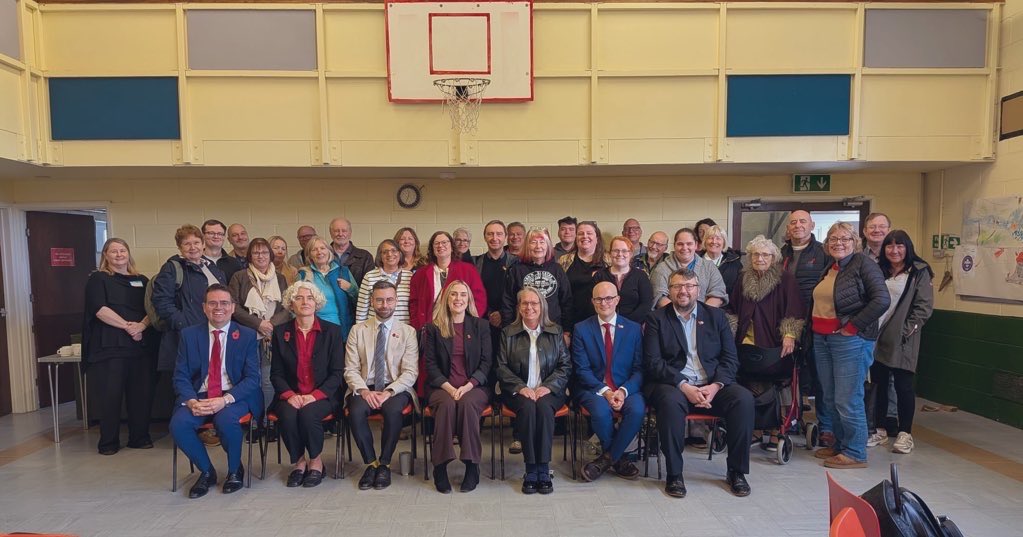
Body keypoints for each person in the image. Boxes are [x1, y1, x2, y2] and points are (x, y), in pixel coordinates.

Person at [644, 269, 754, 498]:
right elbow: (653, 363)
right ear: (669, 290)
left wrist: (715, 386)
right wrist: (684, 386)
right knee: (669, 403)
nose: (683, 291)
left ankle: (736, 471)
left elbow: (730, 359)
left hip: (711, 385)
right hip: (674, 385)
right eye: (677, 286)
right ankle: (675, 474)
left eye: (689, 286)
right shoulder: (657, 319)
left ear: (698, 290)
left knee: (743, 399)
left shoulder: (716, 317)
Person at [170, 284, 262, 499]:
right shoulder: (189, 335)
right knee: (179, 424)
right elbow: (180, 376)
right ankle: (207, 472)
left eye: (224, 303)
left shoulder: (247, 335)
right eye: (212, 303)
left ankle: (235, 470)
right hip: (200, 396)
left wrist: (225, 400)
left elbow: (252, 378)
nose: (218, 308)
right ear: (204, 307)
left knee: (225, 420)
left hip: (235, 395)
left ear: (232, 307)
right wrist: (191, 401)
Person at [810, 222, 890, 469]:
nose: (839, 243)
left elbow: (882, 299)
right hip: (823, 338)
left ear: (855, 242)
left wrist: (853, 327)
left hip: (850, 340)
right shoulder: (832, 266)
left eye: (845, 238)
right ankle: (840, 445)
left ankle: (855, 452)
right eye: (833, 239)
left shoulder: (863, 264)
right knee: (831, 396)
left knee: (848, 397)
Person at [726, 235, 804, 450]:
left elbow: (794, 308)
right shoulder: (743, 278)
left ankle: (775, 429)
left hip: (773, 339)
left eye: (765, 255)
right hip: (746, 339)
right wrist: (730, 330)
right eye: (755, 255)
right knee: (747, 381)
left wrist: (790, 334)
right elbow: (732, 307)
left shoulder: (785, 279)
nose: (759, 258)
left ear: (773, 257)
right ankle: (755, 428)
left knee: (774, 382)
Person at [82, 238, 155, 455]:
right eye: (113, 251)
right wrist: (128, 327)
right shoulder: (98, 279)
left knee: (141, 396)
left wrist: (142, 326)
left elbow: (153, 308)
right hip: (111, 347)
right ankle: (108, 442)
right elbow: (99, 309)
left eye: (122, 250)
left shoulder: (142, 280)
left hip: (140, 346)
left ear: (128, 253)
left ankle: (139, 438)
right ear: (105, 255)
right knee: (111, 396)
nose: (119, 254)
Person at [497, 286, 572, 495]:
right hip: (518, 391)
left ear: (542, 306)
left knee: (545, 409)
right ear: (519, 307)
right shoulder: (507, 333)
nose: (529, 307)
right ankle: (531, 468)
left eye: (534, 303)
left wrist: (548, 386)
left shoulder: (555, 331)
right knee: (529, 409)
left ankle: (543, 468)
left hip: (550, 391)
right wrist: (520, 387)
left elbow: (565, 366)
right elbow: (501, 367)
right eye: (525, 303)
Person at [344, 281, 419, 491]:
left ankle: (385, 463)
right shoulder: (357, 330)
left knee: (393, 411)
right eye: (379, 300)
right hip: (364, 385)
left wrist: (388, 392)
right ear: (371, 301)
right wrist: (364, 391)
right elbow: (350, 369)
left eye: (389, 300)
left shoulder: (408, 332)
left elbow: (410, 372)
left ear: (396, 301)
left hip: (396, 386)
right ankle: (371, 463)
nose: (384, 305)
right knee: (355, 412)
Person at [269, 281, 345, 488]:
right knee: (287, 414)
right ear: (291, 303)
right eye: (299, 298)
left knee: (308, 414)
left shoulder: (332, 331)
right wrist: (289, 395)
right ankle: (299, 462)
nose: (305, 302)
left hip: (322, 395)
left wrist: (314, 396)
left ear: (316, 303)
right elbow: (276, 373)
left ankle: (316, 461)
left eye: (310, 298)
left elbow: (337, 373)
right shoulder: (280, 332)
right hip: (291, 394)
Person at [423, 280, 493, 493]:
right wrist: (450, 388)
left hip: (474, 387)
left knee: (467, 404)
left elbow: (486, 363)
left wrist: (468, 386)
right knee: (446, 406)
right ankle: (440, 467)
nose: (458, 299)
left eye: (463, 294)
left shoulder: (481, 326)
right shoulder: (434, 328)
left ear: (469, 299)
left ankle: (472, 466)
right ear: (446, 298)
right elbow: (430, 365)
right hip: (441, 387)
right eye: (454, 294)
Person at [869, 231, 933, 454]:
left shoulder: (919, 271)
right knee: (878, 384)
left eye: (899, 246)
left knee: (903, 385)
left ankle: (905, 433)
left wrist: (906, 330)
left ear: (908, 248)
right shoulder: (878, 269)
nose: (894, 250)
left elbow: (924, 307)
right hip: (876, 337)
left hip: (902, 338)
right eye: (890, 246)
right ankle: (880, 429)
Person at [572, 282, 644, 482]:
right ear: (592, 301)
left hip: (626, 387)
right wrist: (606, 391)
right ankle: (619, 460)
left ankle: (605, 460)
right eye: (598, 299)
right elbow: (582, 370)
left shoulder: (633, 329)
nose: (604, 303)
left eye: (609, 298)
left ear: (617, 300)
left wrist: (623, 391)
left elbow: (639, 369)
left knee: (637, 410)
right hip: (593, 388)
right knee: (601, 411)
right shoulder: (581, 329)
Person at [780, 210, 832, 446]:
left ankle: (826, 426)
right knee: (789, 375)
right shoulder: (780, 254)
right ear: (788, 228)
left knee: (821, 376)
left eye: (803, 221)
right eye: (793, 222)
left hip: (815, 323)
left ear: (812, 225)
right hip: (786, 324)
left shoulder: (823, 253)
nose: (798, 225)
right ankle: (791, 418)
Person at [152, 224, 227, 373]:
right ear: (180, 247)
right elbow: (162, 302)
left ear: (203, 244)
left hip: (214, 335)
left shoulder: (212, 268)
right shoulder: (172, 268)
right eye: (187, 244)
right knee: (185, 380)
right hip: (185, 337)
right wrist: (185, 325)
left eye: (196, 242)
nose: (193, 247)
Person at [228, 238, 291, 414]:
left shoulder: (280, 278)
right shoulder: (239, 277)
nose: (260, 256)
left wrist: (270, 324)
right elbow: (233, 307)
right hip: (247, 336)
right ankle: (254, 420)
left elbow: (287, 307)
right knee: (250, 379)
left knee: (268, 379)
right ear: (250, 256)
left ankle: (267, 419)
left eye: (264, 252)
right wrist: (258, 323)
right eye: (256, 252)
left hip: (272, 336)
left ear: (270, 255)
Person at [408, 231, 487, 331]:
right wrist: (418, 324)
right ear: (432, 248)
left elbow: (479, 299)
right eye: (436, 243)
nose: (440, 245)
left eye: (444, 242)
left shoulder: (468, 270)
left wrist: (469, 324)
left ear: (452, 247)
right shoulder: (420, 274)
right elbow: (413, 303)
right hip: (430, 329)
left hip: (460, 328)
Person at [501, 227, 572, 329]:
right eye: (533, 242)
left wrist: (567, 330)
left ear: (548, 246)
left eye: (542, 242)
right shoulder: (517, 270)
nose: (538, 246)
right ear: (527, 246)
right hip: (523, 329)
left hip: (553, 329)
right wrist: (508, 329)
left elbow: (566, 301)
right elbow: (508, 302)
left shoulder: (557, 269)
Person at [297, 235, 357, 344]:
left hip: (341, 328)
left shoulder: (343, 271)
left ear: (329, 252)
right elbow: (295, 303)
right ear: (309, 255)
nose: (319, 252)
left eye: (322, 248)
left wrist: (350, 288)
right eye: (314, 250)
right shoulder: (303, 274)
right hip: (314, 329)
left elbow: (359, 298)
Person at [652, 228, 727, 309]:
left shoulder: (709, 267)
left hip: (705, 314)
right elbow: (659, 297)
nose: (684, 248)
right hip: (671, 315)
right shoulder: (662, 269)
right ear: (674, 246)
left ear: (696, 245)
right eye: (680, 244)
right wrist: (679, 313)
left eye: (689, 244)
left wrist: (701, 313)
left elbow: (718, 294)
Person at [558, 221, 610, 332]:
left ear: (597, 238)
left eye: (589, 233)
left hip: (602, 321)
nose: (585, 236)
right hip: (572, 321)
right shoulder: (564, 261)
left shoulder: (608, 260)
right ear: (576, 238)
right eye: (580, 233)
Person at [474, 220, 517, 351]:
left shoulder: (516, 263)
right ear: (485, 237)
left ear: (505, 237)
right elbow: (474, 294)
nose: (494, 238)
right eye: (490, 234)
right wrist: (489, 313)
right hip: (483, 322)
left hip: (509, 322)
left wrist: (502, 314)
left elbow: (517, 293)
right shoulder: (476, 263)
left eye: (499, 234)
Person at [594, 237, 653, 324]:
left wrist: (625, 323)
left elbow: (646, 305)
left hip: (633, 325)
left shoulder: (641, 276)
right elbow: (593, 302)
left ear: (631, 254)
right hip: (604, 324)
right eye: (616, 250)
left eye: (624, 251)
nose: (620, 254)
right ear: (610, 253)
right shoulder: (599, 275)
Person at [355, 239, 413, 323]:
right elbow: (361, 309)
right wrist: (360, 328)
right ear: (380, 256)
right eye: (385, 252)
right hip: (375, 328)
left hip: (403, 327)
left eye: (394, 251)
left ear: (399, 253)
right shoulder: (369, 276)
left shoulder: (410, 277)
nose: (390, 254)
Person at [328, 217, 375, 286]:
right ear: (330, 233)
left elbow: (370, 285)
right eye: (336, 231)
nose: (340, 234)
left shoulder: (365, 257)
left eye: (344, 231)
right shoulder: (322, 256)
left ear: (350, 233)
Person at [702, 225, 742, 297]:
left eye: (718, 238)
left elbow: (739, 291)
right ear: (705, 241)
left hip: (727, 303)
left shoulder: (735, 263)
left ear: (724, 242)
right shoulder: (696, 261)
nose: (714, 241)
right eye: (710, 238)